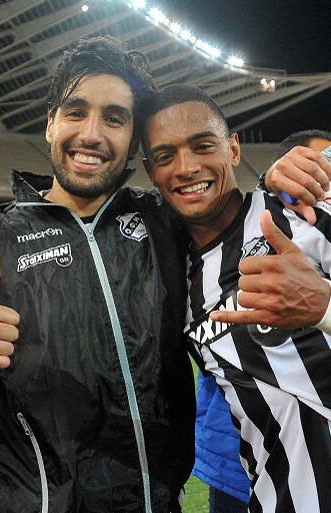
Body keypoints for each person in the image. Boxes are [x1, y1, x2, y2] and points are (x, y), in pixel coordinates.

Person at [0, 36, 197, 513]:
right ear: (50, 122)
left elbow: (247, 227)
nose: (92, 134)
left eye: (114, 118)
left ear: (133, 139)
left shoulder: (165, 225)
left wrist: (282, 181)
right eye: (76, 112)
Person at [141, 83, 331, 513]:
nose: (186, 167)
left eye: (202, 145)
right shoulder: (173, 285)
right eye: (165, 156)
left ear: (233, 148)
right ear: (151, 173)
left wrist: (324, 307)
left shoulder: (301, 209)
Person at [190, 128, 331, 513]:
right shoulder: (206, 264)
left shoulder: (314, 235)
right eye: (311, 168)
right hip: (233, 458)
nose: (320, 182)